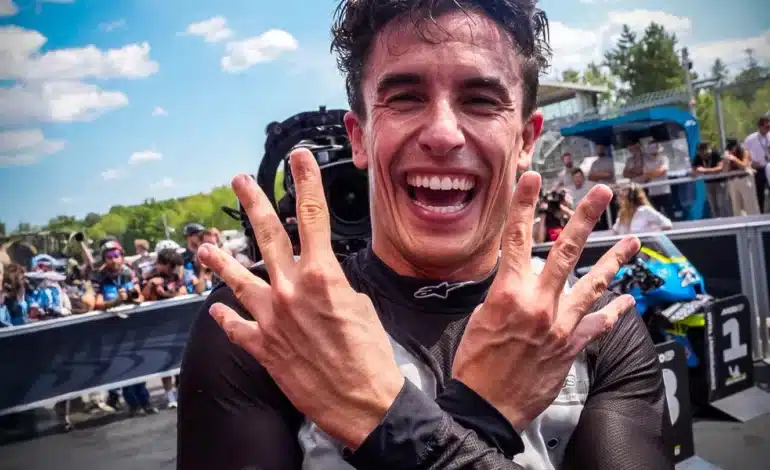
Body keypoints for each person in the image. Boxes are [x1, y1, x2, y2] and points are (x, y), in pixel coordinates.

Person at [178, 2, 670, 469]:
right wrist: (480, 417)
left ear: (525, 139)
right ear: (359, 137)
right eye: (405, 98)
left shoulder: (594, 326)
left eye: (480, 101)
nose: (443, 134)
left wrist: (386, 420)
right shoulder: (264, 323)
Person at [692, 142, 731, 218]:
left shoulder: (715, 154)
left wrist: (705, 170)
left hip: (720, 182)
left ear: (707, 150)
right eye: (700, 152)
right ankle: (716, 221)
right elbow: (694, 170)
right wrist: (695, 171)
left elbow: (720, 168)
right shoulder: (698, 157)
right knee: (712, 205)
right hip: (708, 183)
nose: (702, 155)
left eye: (703, 152)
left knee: (721, 204)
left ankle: (725, 220)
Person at [724, 138, 760, 216]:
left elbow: (744, 165)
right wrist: (726, 161)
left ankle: (754, 221)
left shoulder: (744, 152)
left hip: (745, 180)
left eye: (732, 148)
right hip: (733, 181)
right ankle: (739, 222)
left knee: (750, 205)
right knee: (736, 207)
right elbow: (725, 171)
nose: (731, 150)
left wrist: (734, 159)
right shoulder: (728, 153)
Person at [743, 116, 770, 212]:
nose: (768, 129)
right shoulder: (750, 139)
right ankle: (761, 215)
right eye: (767, 127)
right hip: (758, 170)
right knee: (759, 194)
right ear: (760, 126)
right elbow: (745, 156)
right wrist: (750, 164)